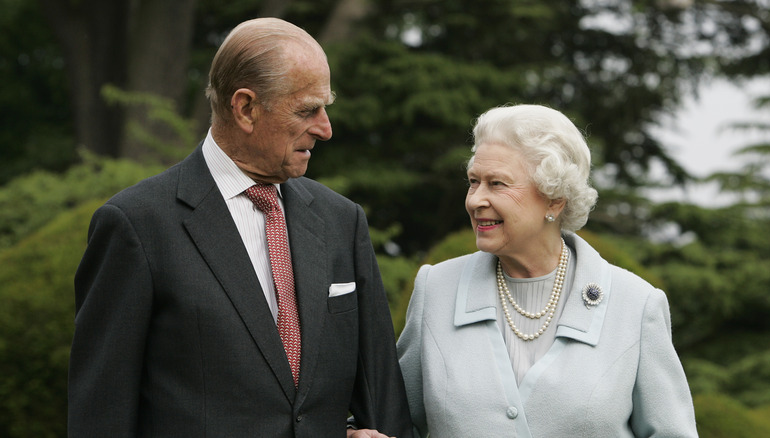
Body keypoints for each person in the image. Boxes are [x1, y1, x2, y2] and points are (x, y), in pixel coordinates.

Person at [69, 17, 412, 438]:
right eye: (308, 109)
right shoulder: (136, 225)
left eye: (326, 107)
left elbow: (382, 398)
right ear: (246, 108)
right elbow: (101, 415)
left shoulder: (342, 220)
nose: (326, 129)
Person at [396, 104, 698, 437]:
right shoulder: (436, 289)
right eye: (473, 182)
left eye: (497, 184)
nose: (475, 200)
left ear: (554, 199)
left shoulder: (636, 306)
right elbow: (394, 420)